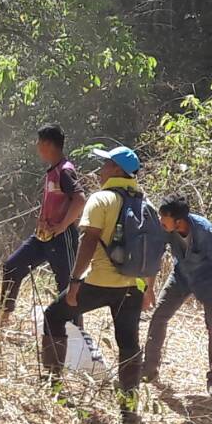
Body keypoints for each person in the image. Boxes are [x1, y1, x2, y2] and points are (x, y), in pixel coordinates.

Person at [41, 145, 156, 404]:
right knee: (129, 342)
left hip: (99, 281)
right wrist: (149, 288)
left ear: (116, 169)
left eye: (105, 164)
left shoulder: (101, 199)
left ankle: (53, 385)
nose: (101, 170)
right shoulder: (146, 204)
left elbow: (89, 241)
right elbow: (152, 251)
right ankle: (129, 407)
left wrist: (74, 281)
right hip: (132, 286)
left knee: (53, 316)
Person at [142, 195, 212, 392]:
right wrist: (149, 289)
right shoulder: (165, 229)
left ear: (179, 221)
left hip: (208, 282)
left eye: (164, 217)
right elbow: (155, 257)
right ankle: (149, 369)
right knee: (159, 316)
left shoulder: (207, 233)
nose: (160, 220)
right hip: (181, 276)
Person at [0, 124, 85, 323]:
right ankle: (4, 315)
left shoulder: (65, 171)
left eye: (39, 142)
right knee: (12, 266)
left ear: (48, 144)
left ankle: (75, 332)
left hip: (61, 238)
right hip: (42, 236)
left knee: (67, 286)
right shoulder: (53, 170)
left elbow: (80, 199)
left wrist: (62, 225)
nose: (37, 146)